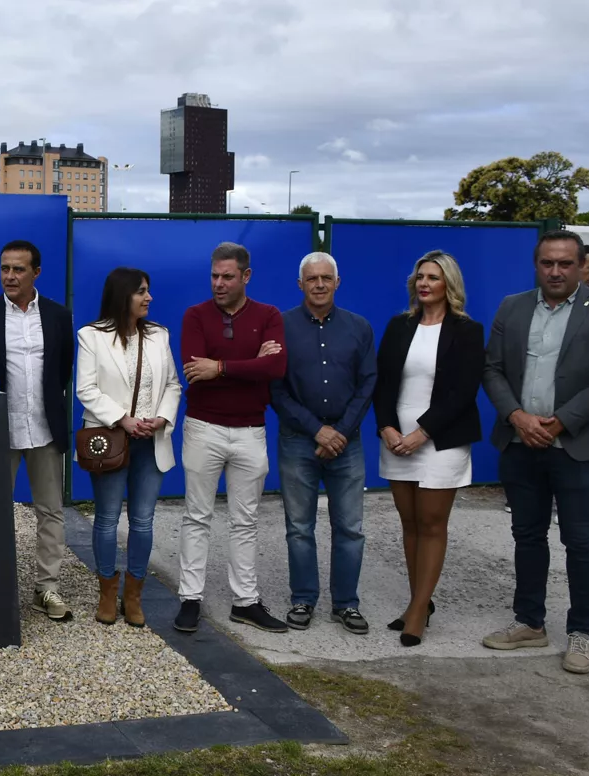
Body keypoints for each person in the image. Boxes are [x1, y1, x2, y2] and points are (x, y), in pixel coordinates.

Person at [481, 230, 589, 674]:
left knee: (580, 541)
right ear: (537, 264)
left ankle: (581, 632)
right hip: (520, 441)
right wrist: (517, 417)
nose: (556, 271)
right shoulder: (513, 306)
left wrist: (560, 422)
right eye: (548, 263)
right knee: (527, 537)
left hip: (576, 446)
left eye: (565, 263)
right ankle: (530, 622)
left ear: (582, 266)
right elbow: (492, 370)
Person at [373, 250, 483, 647]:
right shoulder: (399, 325)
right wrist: (385, 426)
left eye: (433, 278)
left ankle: (417, 610)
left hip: (442, 438)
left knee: (433, 524)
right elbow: (382, 381)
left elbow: (462, 392)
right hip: (396, 437)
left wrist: (422, 433)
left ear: (448, 284)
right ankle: (420, 598)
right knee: (410, 524)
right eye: (420, 276)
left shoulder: (467, 330)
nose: (424, 284)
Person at [176, 242, 288, 634]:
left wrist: (220, 366)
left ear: (246, 276)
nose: (219, 284)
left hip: (250, 431)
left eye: (227, 276)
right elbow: (194, 368)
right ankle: (190, 598)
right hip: (203, 427)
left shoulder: (269, 315)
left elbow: (275, 366)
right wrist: (249, 364)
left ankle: (246, 602)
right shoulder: (195, 316)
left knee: (245, 520)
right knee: (196, 516)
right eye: (214, 276)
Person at [0, 240, 76, 621]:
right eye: (4, 269)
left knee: (51, 512)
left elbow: (63, 371)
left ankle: (47, 589)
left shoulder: (60, 316)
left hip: (46, 429)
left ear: (37, 273)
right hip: (0, 430)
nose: (9, 276)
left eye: (18, 269)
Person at [271, 252, 377, 634]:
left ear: (337, 282)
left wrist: (340, 433)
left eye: (325, 278)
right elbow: (276, 390)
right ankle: (303, 598)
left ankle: (346, 604)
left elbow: (368, 383)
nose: (319, 284)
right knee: (299, 526)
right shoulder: (279, 327)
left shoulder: (359, 327)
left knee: (350, 527)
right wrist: (317, 430)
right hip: (299, 440)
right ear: (300, 284)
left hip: (346, 442)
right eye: (311, 279)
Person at [75, 268, 181, 627]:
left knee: (143, 520)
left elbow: (172, 385)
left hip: (151, 442)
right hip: (111, 439)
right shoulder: (92, 336)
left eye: (148, 291)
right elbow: (86, 390)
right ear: (123, 295)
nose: (148, 298)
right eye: (141, 292)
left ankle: (133, 595)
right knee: (106, 519)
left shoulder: (160, 336)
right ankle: (107, 591)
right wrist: (124, 419)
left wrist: (162, 419)